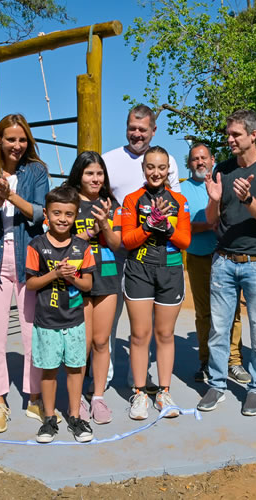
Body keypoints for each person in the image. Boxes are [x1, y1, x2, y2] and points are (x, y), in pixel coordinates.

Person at [196, 109, 256, 417]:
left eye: (235, 134)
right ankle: (217, 384)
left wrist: (248, 199)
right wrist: (213, 197)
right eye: (228, 133)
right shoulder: (222, 168)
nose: (230, 139)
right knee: (219, 329)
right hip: (223, 259)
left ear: (253, 135)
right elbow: (211, 220)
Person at [0, 114, 50, 433]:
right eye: (11, 139)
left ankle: (34, 397)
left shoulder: (37, 172)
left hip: (29, 262)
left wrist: (12, 197)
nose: (17, 145)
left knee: (33, 335)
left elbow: (42, 214)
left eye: (22, 139)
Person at [102, 104, 181, 392]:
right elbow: (98, 198)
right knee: (109, 317)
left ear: (153, 130)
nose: (137, 134)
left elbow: (176, 203)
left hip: (155, 254)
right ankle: (101, 379)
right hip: (117, 250)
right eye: (132, 129)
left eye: (143, 130)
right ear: (126, 128)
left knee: (144, 325)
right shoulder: (109, 160)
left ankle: (139, 381)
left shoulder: (168, 160)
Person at [121, 145, 191, 420]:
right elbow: (127, 241)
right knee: (140, 335)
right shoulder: (131, 199)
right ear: (143, 168)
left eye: (162, 167)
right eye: (151, 166)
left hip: (170, 271)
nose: (156, 172)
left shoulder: (178, 200)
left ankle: (163, 391)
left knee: (164, 335)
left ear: (169, 170)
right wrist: (148, 225)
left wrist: (168, 227)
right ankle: (139, 393)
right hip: (139, 269)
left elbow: (185, 241)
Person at [26, 185, 96, 443]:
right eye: (57, 213)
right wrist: (55, 274)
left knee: (77, 368)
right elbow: (31, 284)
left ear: (76, 216)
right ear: (46, 213)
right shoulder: (37, 245)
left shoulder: (81, 247)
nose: (63, 219)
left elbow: (88, 285)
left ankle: (76, 417)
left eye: (68, 214)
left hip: (75, 320)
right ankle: (49, 419)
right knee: (49, 370)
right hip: (47, 322)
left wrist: (72, 277)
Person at [62, 151, 122, 424]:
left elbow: (117, 243)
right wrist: (87, 233)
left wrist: (104, 225)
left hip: (107, 277)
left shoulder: (111, 202)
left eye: (99, 173)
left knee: (101, 341)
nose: (95, 178)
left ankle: (97, 396)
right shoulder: (68, 201)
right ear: (79, 175)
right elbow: (59, 239)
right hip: (78, 277)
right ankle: (76, 401)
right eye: (89, 173)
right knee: (81, 344)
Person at [180, 143, 244, 384]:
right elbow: (182, 226)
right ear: (189, 164)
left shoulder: (224, 181)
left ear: (213, 159)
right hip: (198, 257)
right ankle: (206, 361)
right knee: (204, 312)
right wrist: (209, 223)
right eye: (195, 159)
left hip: (226, 255)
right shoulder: (181, 189)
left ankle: (233, 361)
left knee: (233, 311)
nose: (200, 162)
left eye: (203, 158)